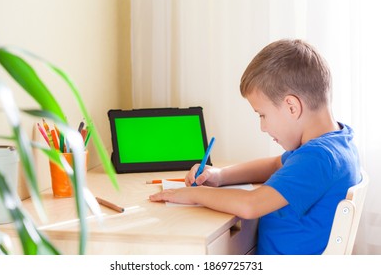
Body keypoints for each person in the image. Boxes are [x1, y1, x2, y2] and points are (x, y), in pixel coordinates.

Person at [149, 39, 361, 255]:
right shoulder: (336, 143)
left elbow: (251, 205)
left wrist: (194, 194)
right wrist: (221, 175)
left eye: (262, 115)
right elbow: (275, 164)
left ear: (292, 106)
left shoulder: (318, 158)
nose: (262, 126)